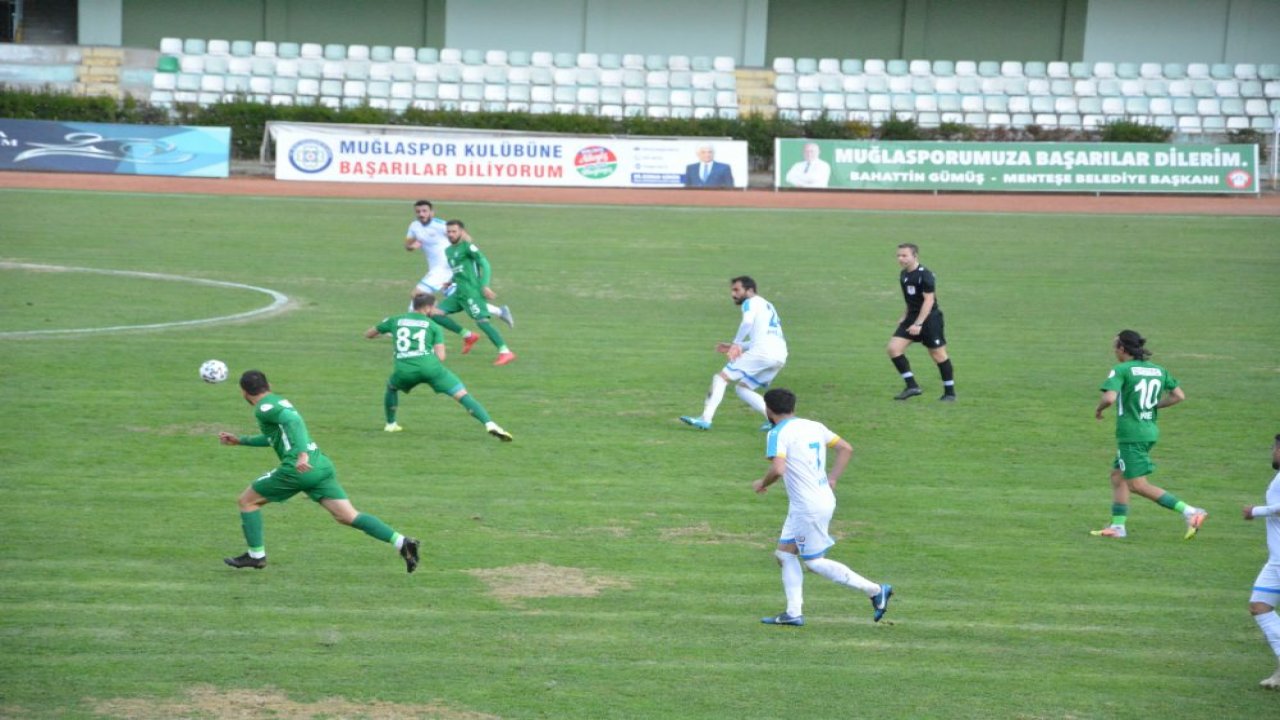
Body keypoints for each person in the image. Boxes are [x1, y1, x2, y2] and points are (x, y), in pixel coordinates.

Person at [219, 370, 420, 573]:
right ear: (268, 384)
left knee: (247, 501)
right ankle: (402, 542)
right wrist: (241, 440)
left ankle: (256, 556)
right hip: (320, 465)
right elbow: (276, 437)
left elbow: (293, 422)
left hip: (298, 469)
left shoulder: (263, 408)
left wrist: (301, 454)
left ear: (243, 392)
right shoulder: (278, 401)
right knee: (348, 516)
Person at [752, 388, 893, 626]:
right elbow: (845, 448)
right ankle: (793, 613)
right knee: (784, 554)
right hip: (814, 500)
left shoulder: (777, 433)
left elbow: (778, 469)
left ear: (768, 409)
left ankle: (875, 590)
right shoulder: (814, 425)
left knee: (814, 562)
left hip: (808, 506)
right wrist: (834, 477)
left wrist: (762, 484)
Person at [1090, 330, 1207, 539]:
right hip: (1149, 431)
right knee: (1118, 476)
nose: (1114, 351)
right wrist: (1153, 406)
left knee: (1137, 484)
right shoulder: (1158, 370)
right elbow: (1179, 396)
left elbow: (1109, 398)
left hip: (1131, 434)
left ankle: (1190, 511)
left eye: (1115, 347)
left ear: (1122, 349)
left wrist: (1099, 409)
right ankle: (1118, 527)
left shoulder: (1122, 370)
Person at [364, 292, 513, 441]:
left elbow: (369, 334)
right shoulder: (433, 326)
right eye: (434, 307)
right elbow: (441, 357)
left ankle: (391, 424)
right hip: (431, 368)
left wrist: (388, 334)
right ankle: (490, 424)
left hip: (404, 370)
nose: (435, 311)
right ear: (427, 308)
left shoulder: (395, 320)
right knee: (462, 395)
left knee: (392, 387)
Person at [680, 276, 787, 431]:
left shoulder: (750, 303)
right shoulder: (767, 305)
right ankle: (774, 421)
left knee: (721, 378)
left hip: (762, 352)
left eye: (737, 290)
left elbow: (747, 323)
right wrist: (737, 346)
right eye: (732, 290)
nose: (733, 294)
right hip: (780, 355)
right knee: (743, 388)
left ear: (750, 290)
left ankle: (705, 419)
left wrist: (736, 344)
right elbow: (764, 337)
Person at [403, 200, 514, 342]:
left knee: (417, 294)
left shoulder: (440, 225)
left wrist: (463, 251)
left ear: (432, 212)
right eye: (418, 212)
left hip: (444, 267)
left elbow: (465, 237)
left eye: (425, 211)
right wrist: (412, 247)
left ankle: (410, 328)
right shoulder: (414, 226)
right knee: (463, 299)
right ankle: (499, 312)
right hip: (440, 270)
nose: (421, 214)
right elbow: (407, 244)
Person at [438, 219, 517, 366]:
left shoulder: (468, 247)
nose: (450, 234)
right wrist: (450, 281)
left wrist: (484, 285)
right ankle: (468, 336)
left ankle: (505, 352)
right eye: (448, 231)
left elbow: (485, 264)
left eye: (454, 231)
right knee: (435, 313)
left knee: (482, 322)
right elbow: (459, 270)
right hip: (458, 293)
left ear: (461, 232)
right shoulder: (448, 250)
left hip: (471, 292)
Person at [886, 243, 956, 401]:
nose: (900, 258)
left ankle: (950, 393)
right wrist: (905, 315)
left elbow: (929, 301)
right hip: (912, 317)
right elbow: (911, 299)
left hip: (930, 319)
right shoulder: (903, 275)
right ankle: (912, 386)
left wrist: (918, 324)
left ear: (915, 256)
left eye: (904, 255)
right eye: (898, 255)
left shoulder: (925, 275)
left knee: (937, 354)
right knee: (893, 349)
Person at [1243, 434, 1280, 689]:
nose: (1271, 452)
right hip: (1276, 560)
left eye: (1274, 448)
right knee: (1259, 605)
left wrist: (1256, 511)